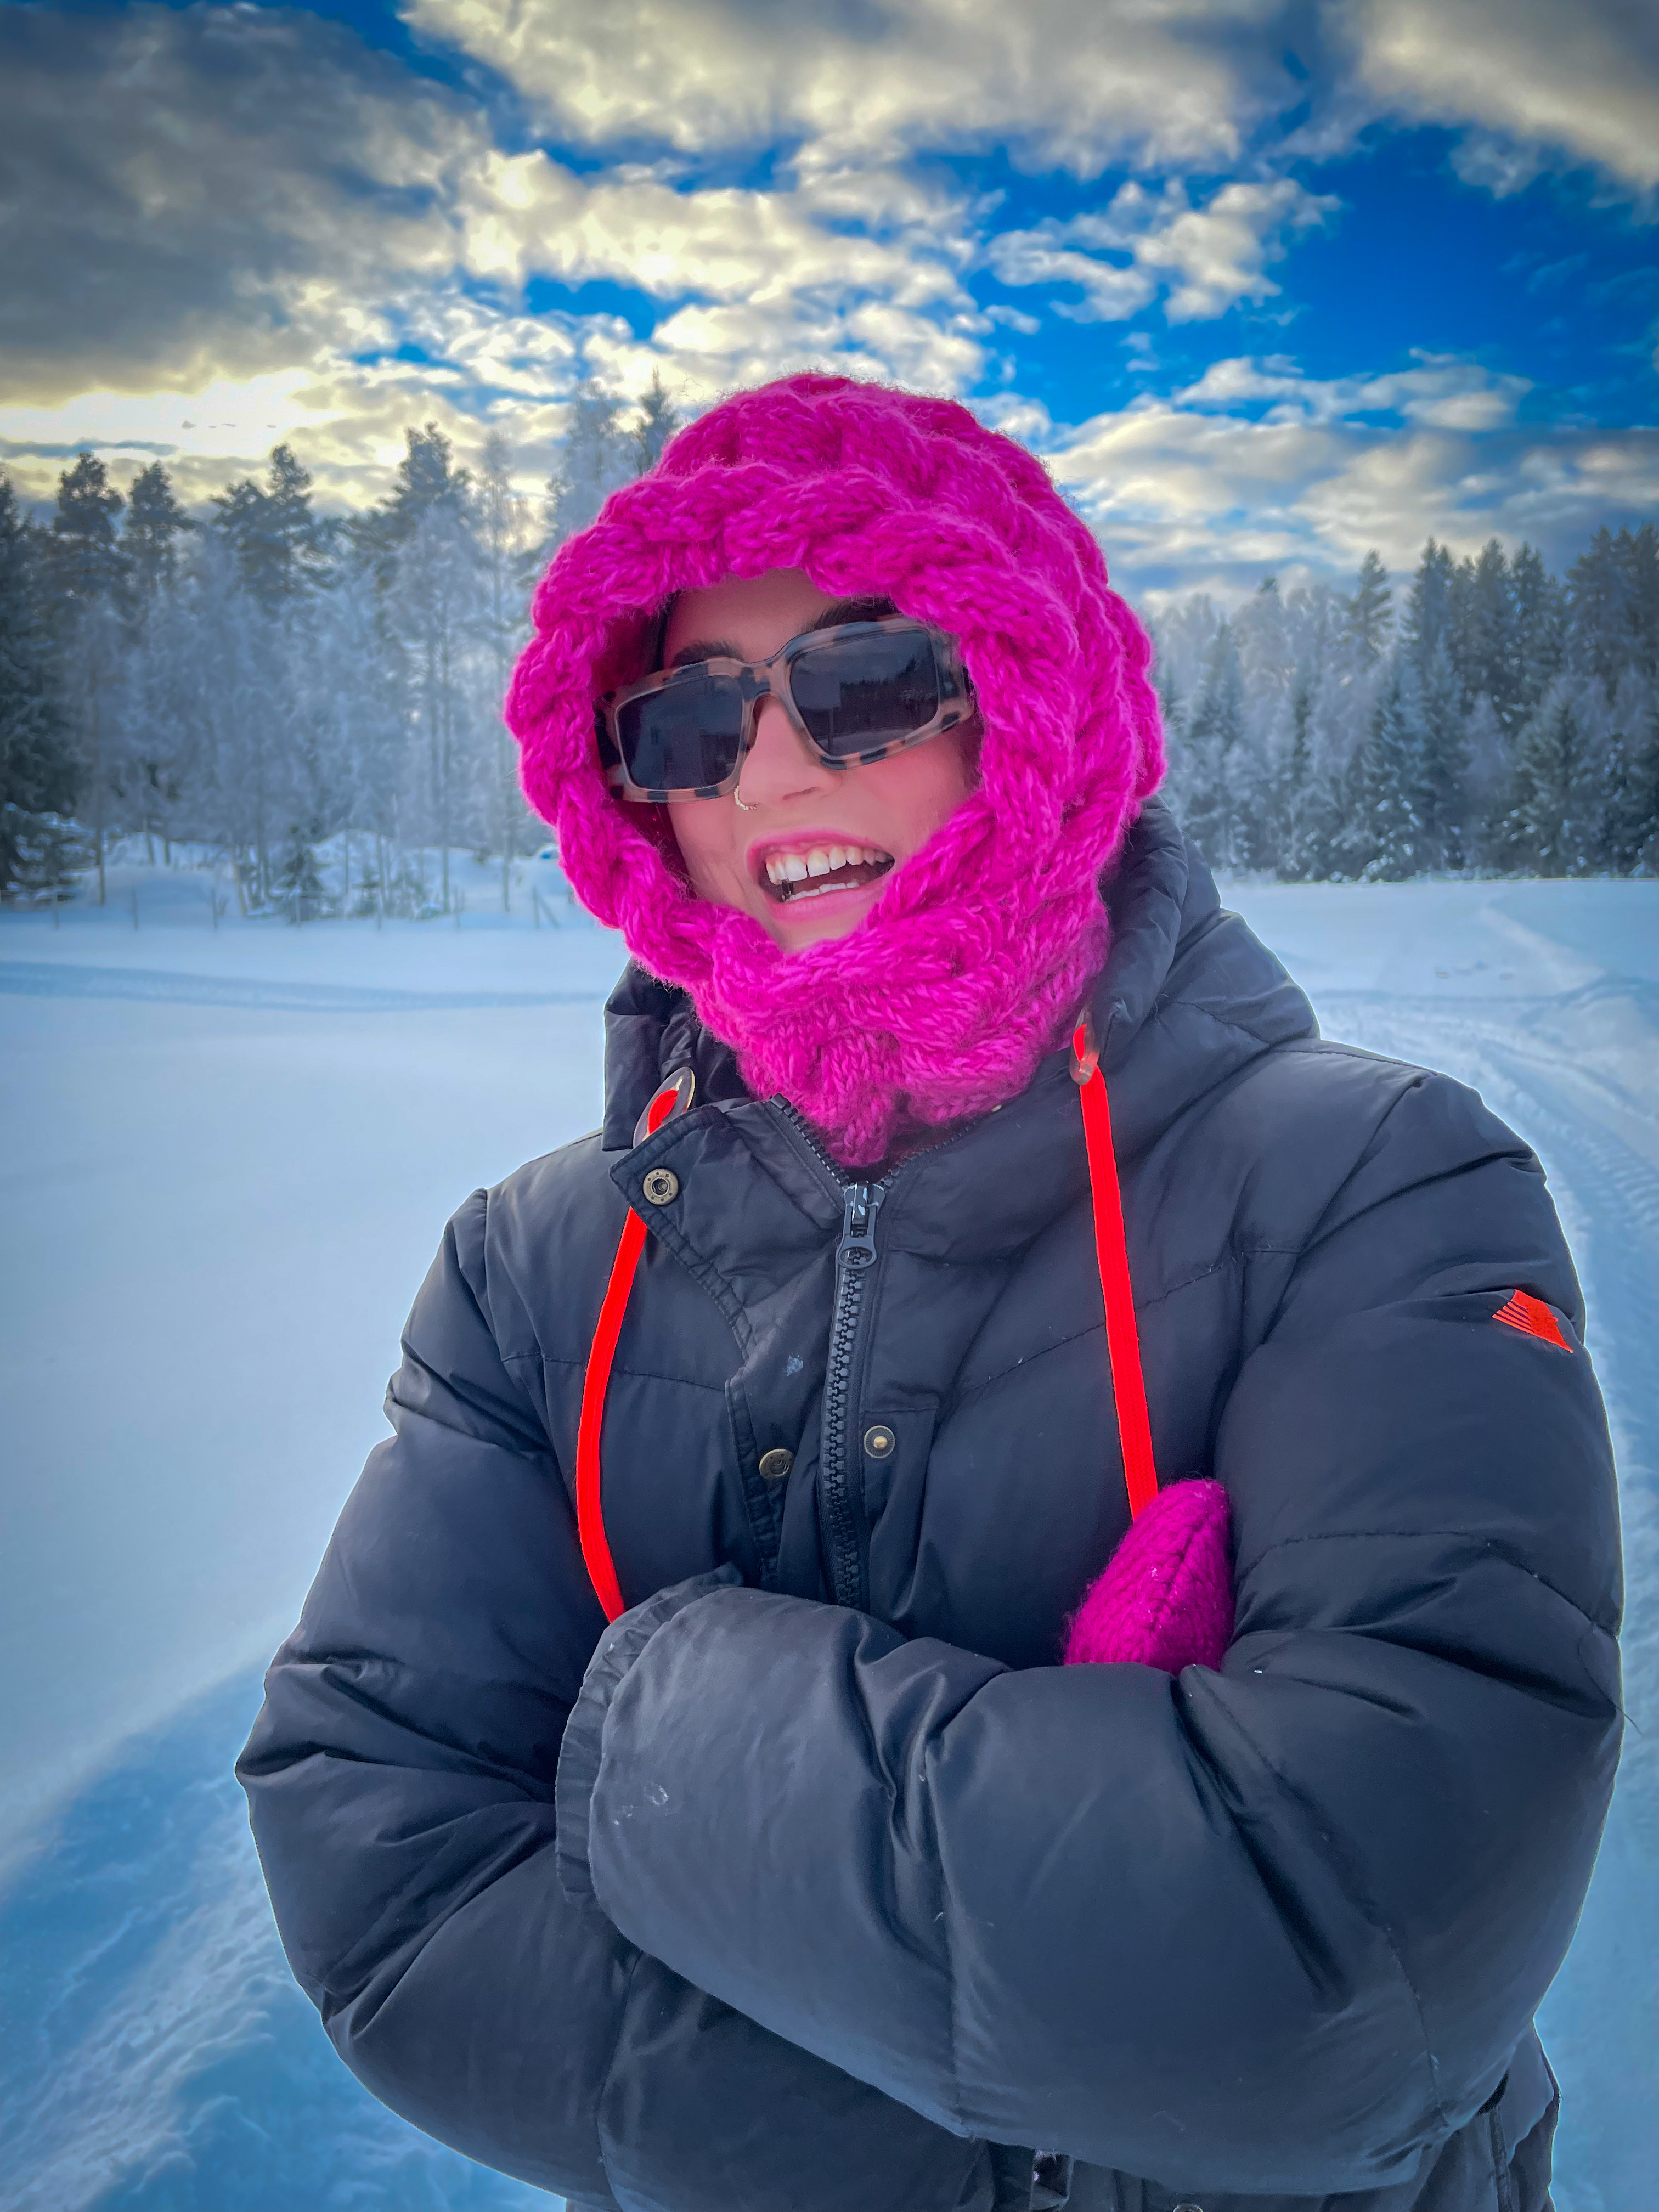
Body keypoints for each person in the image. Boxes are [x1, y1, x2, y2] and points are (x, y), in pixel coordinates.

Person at [239, 375, 1622, 2212]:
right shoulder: (533, 1269)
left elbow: (1352, 1973)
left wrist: (648, 1715)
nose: (769, 774)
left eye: (867, 682)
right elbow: (381, 1857)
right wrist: (972, 2143)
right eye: (688, 721)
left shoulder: (1373, 1185)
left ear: (1031, 706)